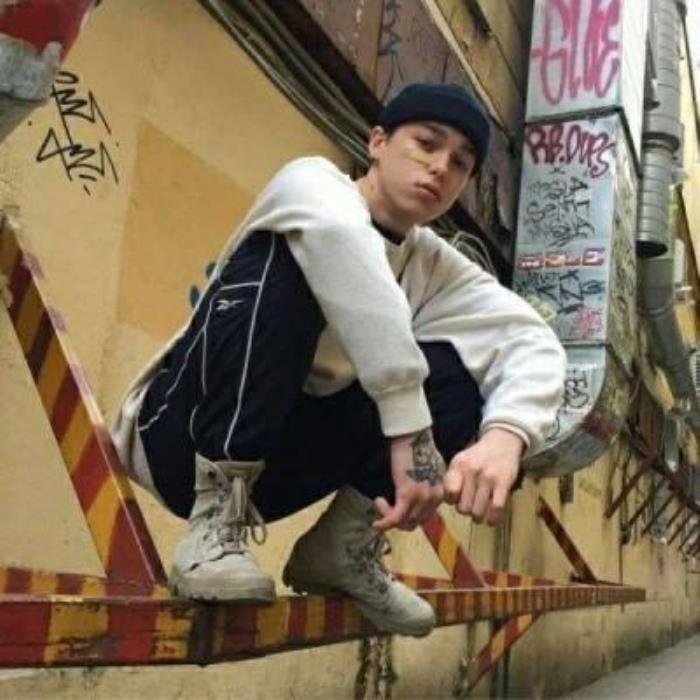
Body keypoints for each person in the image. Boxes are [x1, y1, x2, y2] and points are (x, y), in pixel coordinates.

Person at [112, 83, 566, 638]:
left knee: (460, 373)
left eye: (460, 163)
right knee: (289, 257)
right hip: (179, 441)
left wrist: (507, 435)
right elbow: (338, 237)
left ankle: (340, 551)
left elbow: (530, 339)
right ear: (377, 142)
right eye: (427, 143)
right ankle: (213, 526)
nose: (441, 168)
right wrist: (408, 426)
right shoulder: (310, 184)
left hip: (275, 476)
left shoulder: (435, 267)